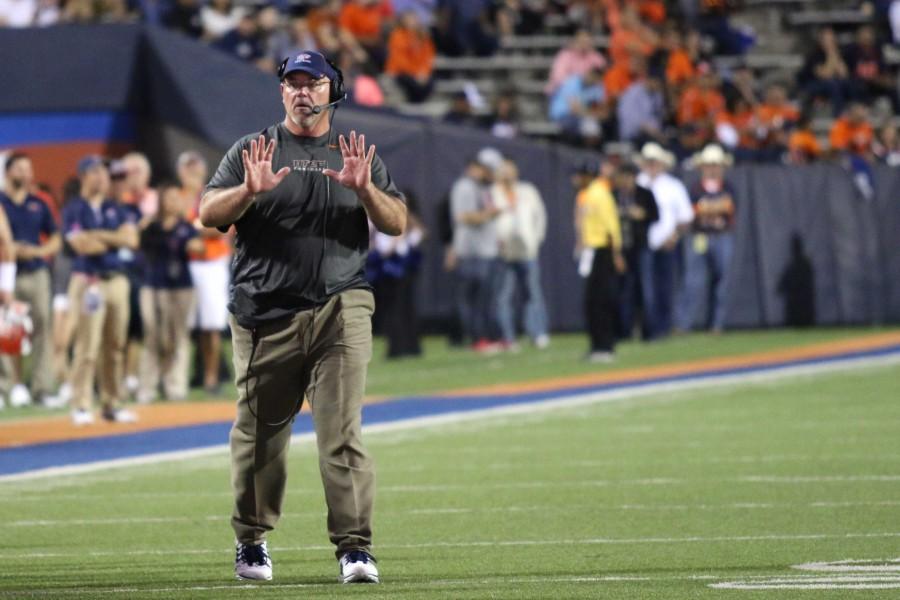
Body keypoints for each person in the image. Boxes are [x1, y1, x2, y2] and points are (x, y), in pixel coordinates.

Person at [198, 50, 406, 584]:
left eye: (312, 82)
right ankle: (251, 538)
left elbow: (397, 221)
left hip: (341, 305)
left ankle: (355, 547)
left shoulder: (356, 151)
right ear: (282, 91)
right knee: (261, 437)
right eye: (293, 83)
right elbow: (207, 213)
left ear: (333, 90)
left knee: (340, 432)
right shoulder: (254, 148)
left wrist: (365, 190)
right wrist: (248, 190)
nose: (301, 92)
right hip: (266, 314)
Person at [62, 156, 139, 425]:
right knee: (87, 346)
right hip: (88, 281)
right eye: (96, 172)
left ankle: (112, 403)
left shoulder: (114, 207)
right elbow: (82, 246)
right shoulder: (74, 208)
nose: (103, 177)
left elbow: (131, 239)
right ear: (84, 175)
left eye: (104, 172)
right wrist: (112, 239)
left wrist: (98, 236)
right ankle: (81, 404)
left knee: (116, 345)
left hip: (117, 280)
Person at [0, 153, 61, 408]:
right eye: (20, 169)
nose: (26, 173)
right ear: (8, 171)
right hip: (6, 274)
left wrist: (38, 252)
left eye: (28, 168)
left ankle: (42, 388)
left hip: (36, 272)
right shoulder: (1, 202)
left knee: (41, 329)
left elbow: (56, 238)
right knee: (6, 333)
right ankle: (5, 388)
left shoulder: (40, 202)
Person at [137, 182, 202, 403]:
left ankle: (175, 385)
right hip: (153, 286)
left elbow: (198, 245)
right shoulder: (150, 227)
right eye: (169, 197)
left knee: (179, 336)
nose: (173, 202)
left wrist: (194, 245)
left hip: (181, 287)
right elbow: (138, 244)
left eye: (177, 198)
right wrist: (141, 227)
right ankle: (148, 386)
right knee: (153, 336)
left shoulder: (186, 227)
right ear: (161, 200)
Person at [180, 151, 231, 395]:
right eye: (187, 168)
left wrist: (192, 230)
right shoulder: (178, 197)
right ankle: (193, 374)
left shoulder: (212, 193)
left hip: (212, 264)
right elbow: (172, 226)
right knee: (190, 325)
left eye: (195, 168)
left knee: (212, 324)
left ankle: (212, 377)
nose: (191, 173)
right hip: (187, 265)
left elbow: (221, 229)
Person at [636, 143, 693, 340]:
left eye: (654, 161)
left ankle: (663, 327)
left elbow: (685, 216)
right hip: (642, 244)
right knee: (644, 288)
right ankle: (647, 328)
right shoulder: (638, 183)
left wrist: (674, 236)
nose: (651, 165)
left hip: (667, 243)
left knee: (665, 287)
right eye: (648, 161)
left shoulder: (673, 186)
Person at [676, 144, 735, 334]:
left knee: (722, 280)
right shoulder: (695, 188)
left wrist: (707, 208)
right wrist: (714, 208)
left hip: (722, 237)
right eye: (709, 165)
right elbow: (693, 211)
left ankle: (716, 324)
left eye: (715, 165)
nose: (712, 169)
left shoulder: (728, 187)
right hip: (699, 236)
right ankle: (684, 323)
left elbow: (729, 209)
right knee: (693, 281)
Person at [491, 159, 549, 351]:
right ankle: (508, 337)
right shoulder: (493, 192)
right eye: (503, 171)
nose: (507, 174)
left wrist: (536, 240)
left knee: (532, 293)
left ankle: (537, 332)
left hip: (527, 250)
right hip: (504, 251)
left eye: (509, 170)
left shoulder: (527, 190)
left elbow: (540, 216)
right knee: (503, 296)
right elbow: (490, 220)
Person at [450, 148, 503, 352]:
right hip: (471, 251)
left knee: (486, 299)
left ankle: (488, 336)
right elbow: (463, 217)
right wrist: (488, 214)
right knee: (474, 301)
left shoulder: (484, 187)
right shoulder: (465, 186)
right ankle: (477, 338)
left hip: (486, 250)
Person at [573, 160, 625, 362]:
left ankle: (604, 346)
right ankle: (598, 345)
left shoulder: (598, 194)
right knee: (593, 301)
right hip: (594, 250)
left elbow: (610, 228)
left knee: (600, 300)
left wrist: (616, 254)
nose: (576, 179)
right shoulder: (591, 194)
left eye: (579, 174)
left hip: (602, 250)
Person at [610, 162, 658, 340]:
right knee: (622, 291)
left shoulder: (644, 194)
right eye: (622, 177)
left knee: (645, 289)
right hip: (621, 249)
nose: (625, 180)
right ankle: (623, 331)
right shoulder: (613, 195)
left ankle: (649, 331)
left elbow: (655, 215)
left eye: (628, 176)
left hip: (640, 247)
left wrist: (642, 214)